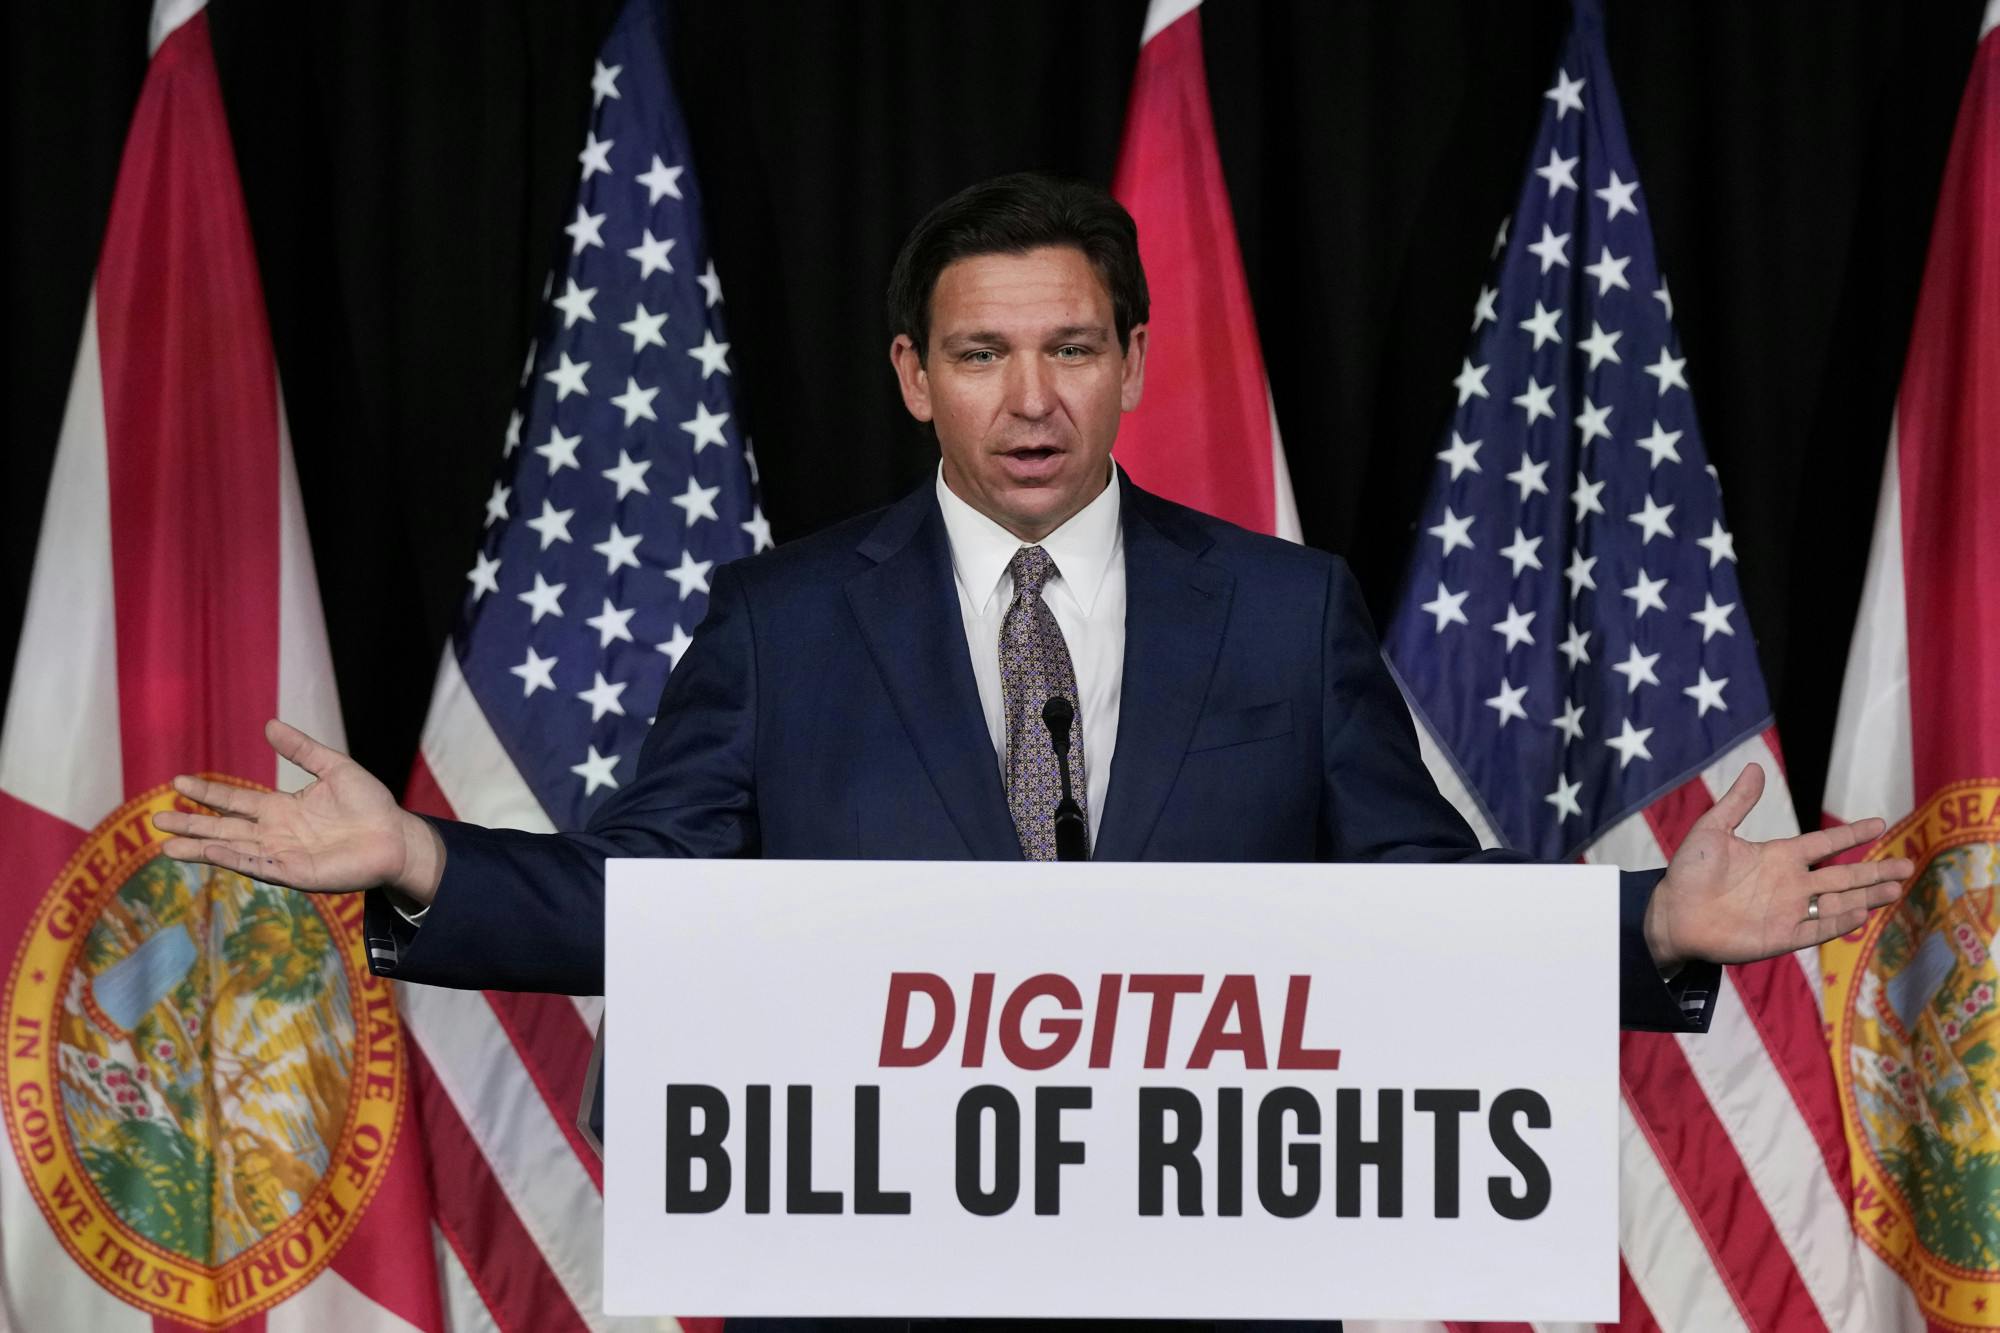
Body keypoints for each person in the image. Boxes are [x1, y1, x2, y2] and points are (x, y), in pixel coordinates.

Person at [157, 171, 1908, 1028]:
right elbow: (646, 907)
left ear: (1138, 361)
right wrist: (417, 862)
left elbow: (1414, 919)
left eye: (1073, 347)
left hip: (1209, 1280)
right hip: (866, 1287)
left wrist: (1654, 932)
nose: (1033, 399)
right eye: (984, 355)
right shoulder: (780, 618)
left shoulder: (1286, 614)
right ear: (914, 375)